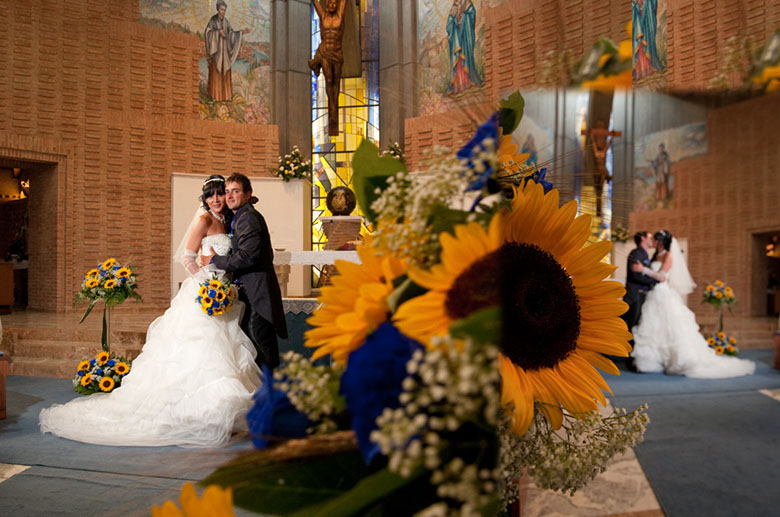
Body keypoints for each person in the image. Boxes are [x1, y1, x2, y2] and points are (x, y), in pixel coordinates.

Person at [39, 175, 261, 447]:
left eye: (220, 194)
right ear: (204, 198)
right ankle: (191, 414)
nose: (216, 199)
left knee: (225, 350)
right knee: (198, 351)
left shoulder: (228, 221)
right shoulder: (203, 220)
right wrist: (207, 286)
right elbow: (187, 258)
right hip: (204, 294)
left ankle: (220, 413)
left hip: (223, 295)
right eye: (210, 195)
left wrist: (221, 288)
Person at [630, 230, 755, 378]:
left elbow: (662, 277)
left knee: (670, 328)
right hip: (653, 294)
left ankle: (677, 360)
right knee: (654, 327)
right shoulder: (655, 255)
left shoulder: (668, 256)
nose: (655, 242)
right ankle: (655, 361)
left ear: (662, 242)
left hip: (662, 293)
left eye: (656, 240)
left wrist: (642, 269)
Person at [211, 173, 287, 370]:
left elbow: (247, 257)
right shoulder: (240, 216)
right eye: (227, 192)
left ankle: (271, 396)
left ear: (247, 194)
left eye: (235, 191)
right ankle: (266, 394)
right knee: (255, 350)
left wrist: (214, 260)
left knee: (262, 350)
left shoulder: (248, 218)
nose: (229, 196)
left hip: (257, 295)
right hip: (249, 293)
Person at [309, 0, 348, 135]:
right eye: (330, 3)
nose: (332, 5)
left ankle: (334, 109)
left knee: (336, 82)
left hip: (337, 53)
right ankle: (331, 108)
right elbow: (315, 3)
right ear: (326, 5)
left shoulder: (340, 15)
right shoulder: (323, 16)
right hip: (325, 52)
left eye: (334, 3)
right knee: (329, 81)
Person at [204, 1, 250, 102]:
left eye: (225, 10)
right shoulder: (213, 20)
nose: (223, 12)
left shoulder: (226, 22)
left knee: (225, 74)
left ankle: (226, 96)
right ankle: (215, 96)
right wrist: (217, 33)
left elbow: (231, 34)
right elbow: (207, 33)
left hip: (225, 54)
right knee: (216, 73)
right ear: (218, 9)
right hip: (216, 54)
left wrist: (242, 32)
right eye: (222, 9)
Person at [623, 231, 659, 341]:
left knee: (638, 325)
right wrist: (653, 281)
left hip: (642, 294)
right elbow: (635, 275)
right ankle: (627, 355)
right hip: (635, 294)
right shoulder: (636, 253)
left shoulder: (645, 254)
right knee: (632, 325)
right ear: (642, 238)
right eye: (650, 237)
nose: (652, 239)